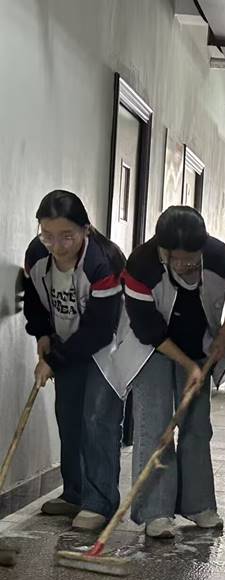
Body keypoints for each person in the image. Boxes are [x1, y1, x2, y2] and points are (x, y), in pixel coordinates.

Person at [123, 206, 225, 539]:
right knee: (155, 423)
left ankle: (198, 505)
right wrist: (188, 365)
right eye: (175, 259)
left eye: (191, 260)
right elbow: (148, 329)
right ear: (162, 250)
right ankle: (156, 512)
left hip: (198, 343)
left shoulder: (220, 256)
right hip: (151, 347)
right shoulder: (141, 265)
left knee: (196, 423)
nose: (183, 266)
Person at [23, 190, 125, 531]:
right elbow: (34, 300)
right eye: (47, 235)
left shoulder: (103, 263)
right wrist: (42, 336)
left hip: (108, 348)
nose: (57, 245)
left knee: (97, 419)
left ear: (86, 229)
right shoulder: (37, 255)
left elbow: (99, 330)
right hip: (67, 345)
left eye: (67, 236)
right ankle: (75, 494)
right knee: (68, 417)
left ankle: (100, 502)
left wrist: (54, 359)